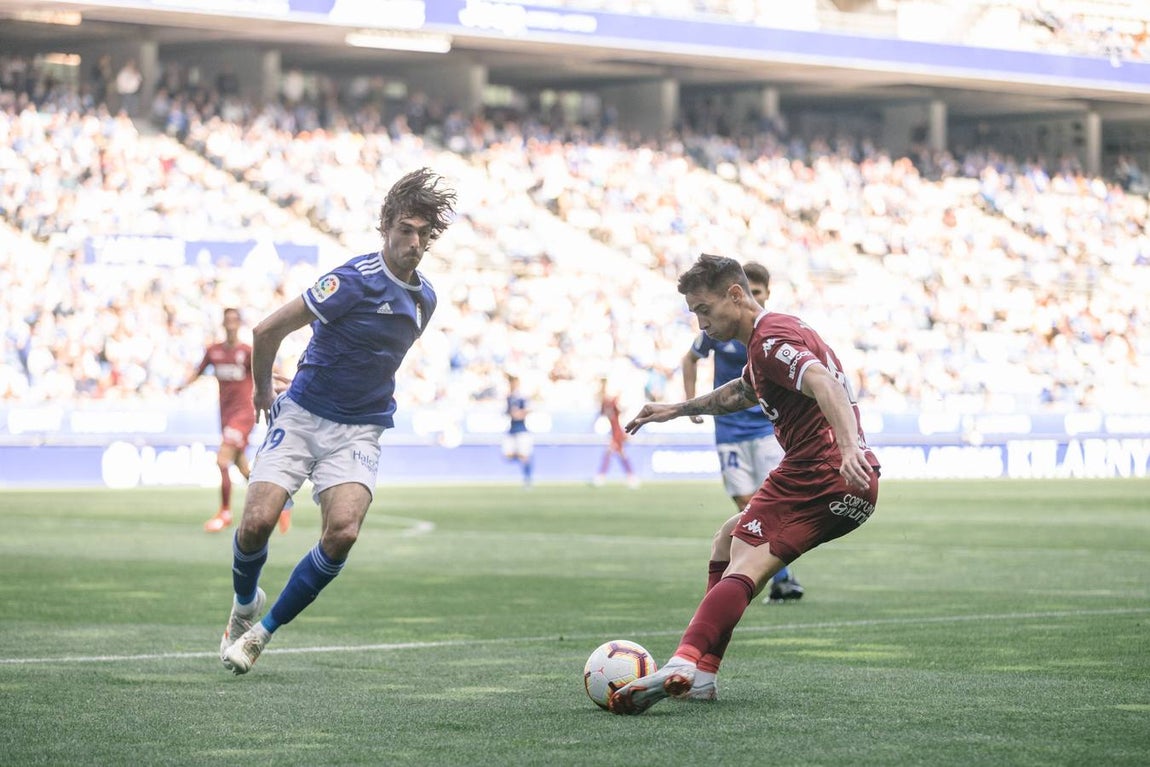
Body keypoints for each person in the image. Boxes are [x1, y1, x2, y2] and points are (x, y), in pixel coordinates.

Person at [610, 254, 880, 714]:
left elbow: (824, 384)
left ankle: (683, 662)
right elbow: (740, 392)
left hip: (819, 471)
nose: (701, 321)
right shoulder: (765, 346)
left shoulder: (772, 339)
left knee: (746, 565)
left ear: (736, 294)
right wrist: (675, 408)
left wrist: (849, 449)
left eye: (705, 309)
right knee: (727, 538)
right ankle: (703, 675)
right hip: (851, 488)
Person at [217, 167, 457, 675]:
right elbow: (267, 330)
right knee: (257, 523)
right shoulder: (350, 281)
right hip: (302, 415)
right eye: (405, 230)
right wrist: (264, 390)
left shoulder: (425, 299)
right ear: (386, 228)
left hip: (361, 428)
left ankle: (262, 634)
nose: (414, 243)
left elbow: (375, 358)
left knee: (343, 532)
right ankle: (243, 607)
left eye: (423, 234)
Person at [681, 262, 803, 604]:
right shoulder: (717, 331)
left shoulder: (768, 332)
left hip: (765, 426)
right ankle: (776, 575)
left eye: (761, 292)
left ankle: (777, 575)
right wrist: (692, 403)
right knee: (744, 502)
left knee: (769, 501)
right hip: (730, 428)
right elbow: (688, 360)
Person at [176, 307, 291, 535]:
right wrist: (181, 386)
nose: (230, 325)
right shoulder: (214, 351)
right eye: (227, 320)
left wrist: (281, 381)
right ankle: (281, 504)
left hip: (244, 414)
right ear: (223, 323)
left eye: (234, 321)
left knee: (222, 461)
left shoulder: (247, 351)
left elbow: (269, 368)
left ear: (239, 324)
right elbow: (199, 371)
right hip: (226, 414)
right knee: (243, 468)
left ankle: (225, 513)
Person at [592, 377, 639, 488]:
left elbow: (620, 413)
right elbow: (602, 413)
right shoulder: (605, 403)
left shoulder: (612, 402)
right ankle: (631, 476)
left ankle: (601, 476)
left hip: (617, 433)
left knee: (611, 453)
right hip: (614, 432)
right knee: (619, 454)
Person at [503, 373, 534, 488]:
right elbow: (508, 412)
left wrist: (519, 414)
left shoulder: (522, 397)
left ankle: (528, 479)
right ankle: (524, 459)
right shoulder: (509, 397)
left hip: (522, 430)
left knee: (524, 456)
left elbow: (528, 410)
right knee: (507, 456)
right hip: (512, 430)